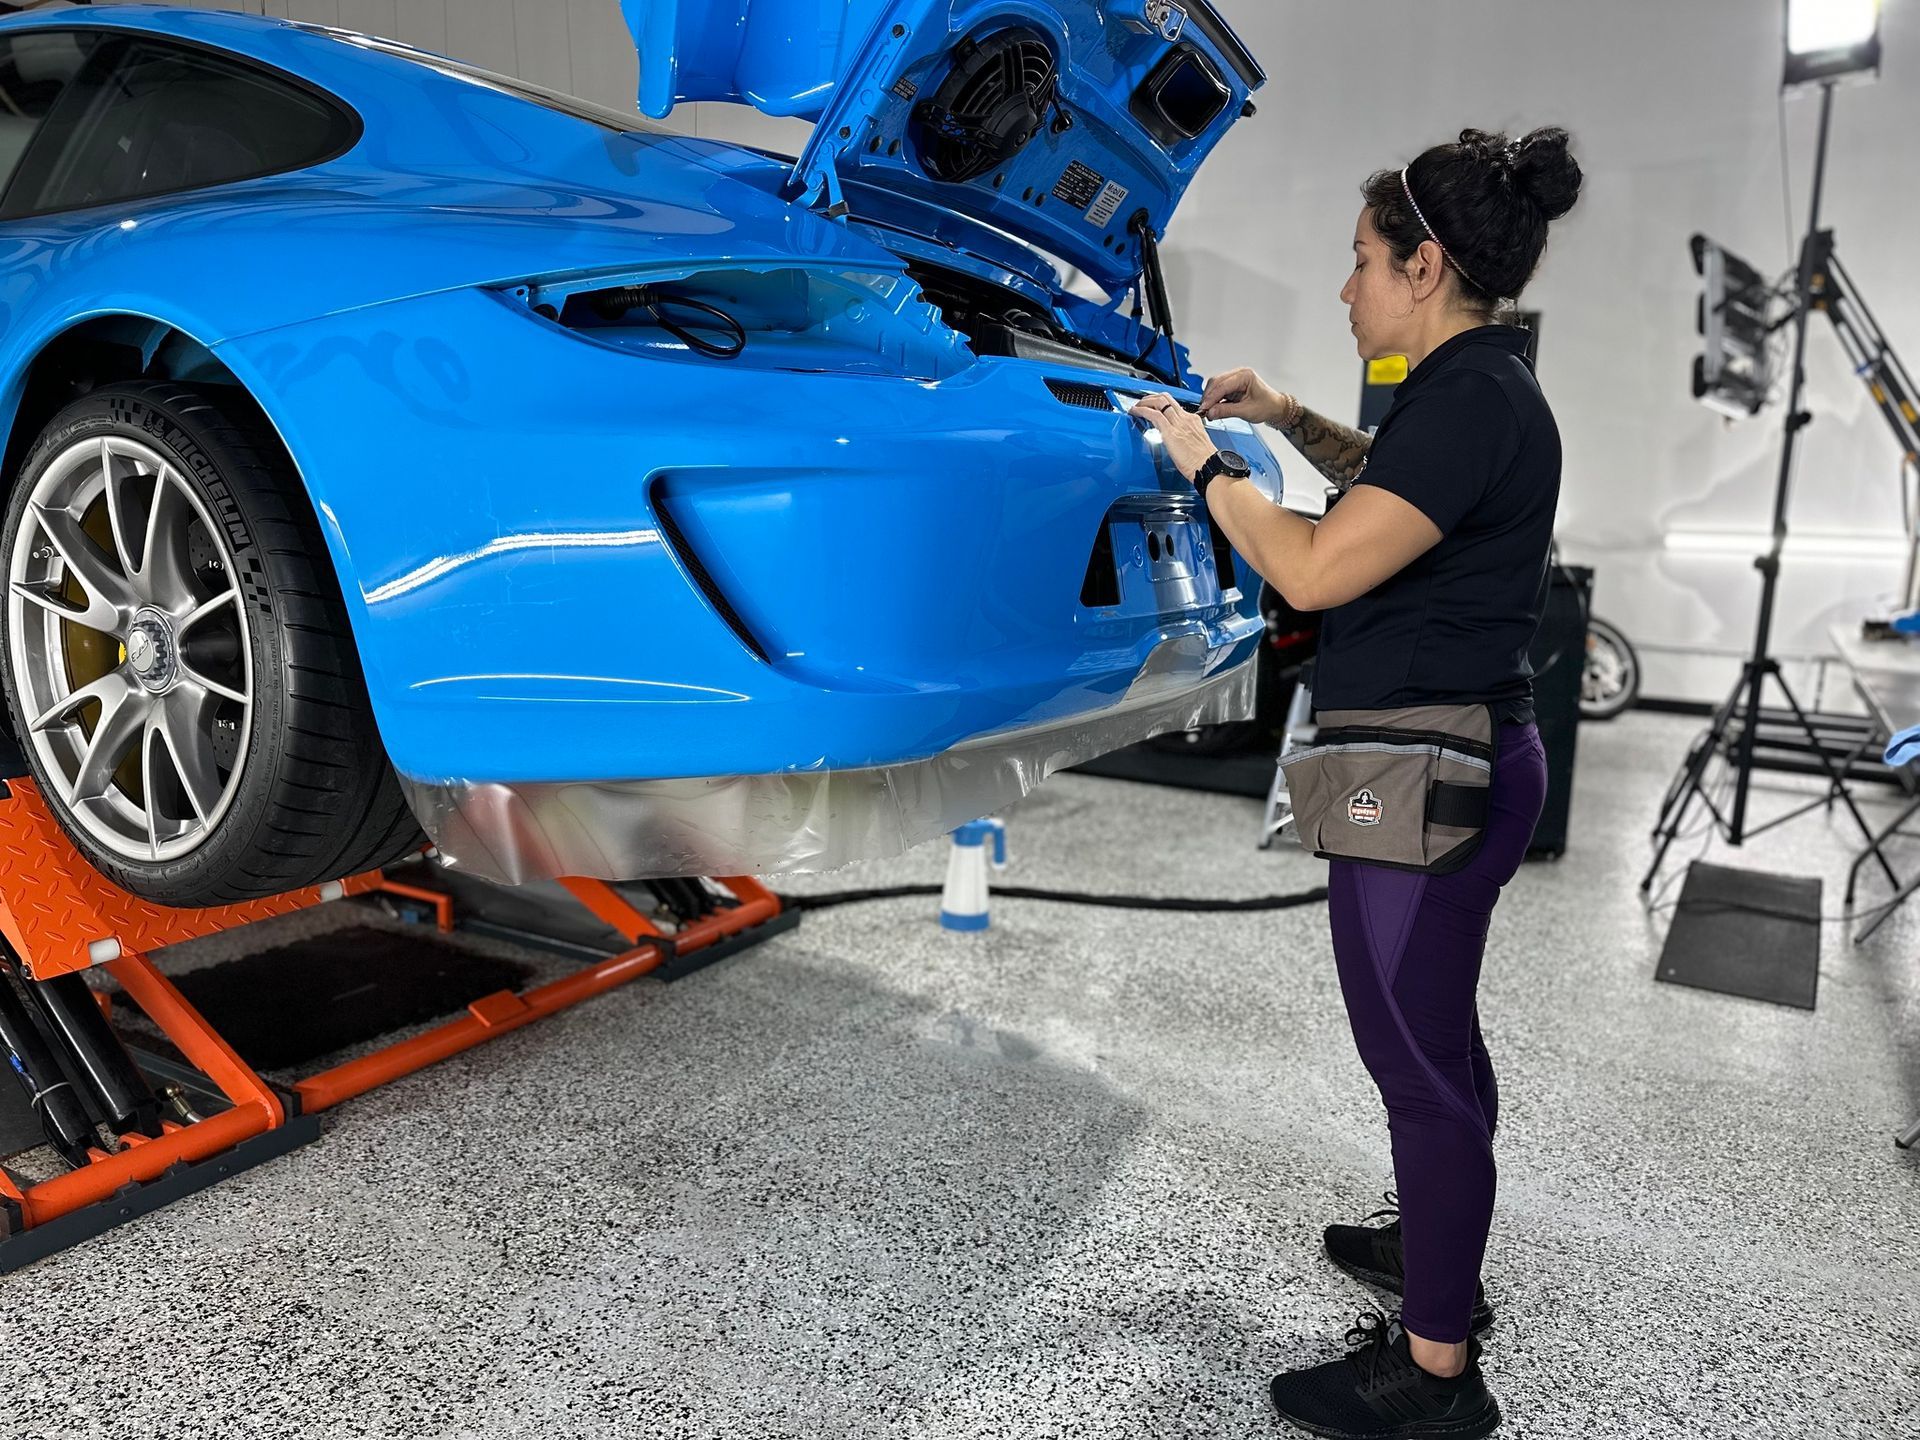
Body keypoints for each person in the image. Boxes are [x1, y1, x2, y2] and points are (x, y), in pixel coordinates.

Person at [1129, 126, 1583, 1438]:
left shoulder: (1469, 400)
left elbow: (1319, 569)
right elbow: (1395, 492)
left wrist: (1204, 464)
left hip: (1421, 767)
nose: (1347, 290)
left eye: (1362, 262)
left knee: (1412, 1065)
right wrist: (1281, 416)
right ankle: (1433, 1257)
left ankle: (1437, 1375)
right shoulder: (1477, 388)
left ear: (1425, 263)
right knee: (1438, 1039)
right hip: (1467, 750)